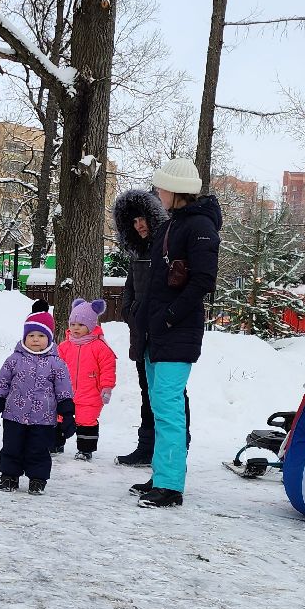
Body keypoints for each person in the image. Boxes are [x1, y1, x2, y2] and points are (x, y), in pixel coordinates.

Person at [132, 159, 221, 509]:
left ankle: (170, 486)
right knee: (159, 405)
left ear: (177, 191)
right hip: (159, 332)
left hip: (176, 333)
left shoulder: (199, 226)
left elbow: (203, 280)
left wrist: (168, 316)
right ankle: (162, 474)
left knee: (168, 407)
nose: (158, 193)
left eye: (162, 188)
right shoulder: (174, 224)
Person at [113, 186, 189, 473]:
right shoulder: (138, 253)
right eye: (133, 222)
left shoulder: (167, 247)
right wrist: (130, 313)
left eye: (142, 218)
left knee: (170, 393)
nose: (139, 225)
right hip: (141, 332)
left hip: (164, 331)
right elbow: (130, 289)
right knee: (147, 391)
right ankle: (147, 445)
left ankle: (177, 447)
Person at [0, 310, 75, 495]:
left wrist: (67, 415)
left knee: (39, 450)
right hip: (13, 416)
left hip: (43, 420)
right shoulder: (13, 360)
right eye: (31, 335)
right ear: (24, 337)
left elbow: (64, 390)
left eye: (41, 335)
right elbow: (1, 384)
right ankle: (9, 476)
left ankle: (38, 479)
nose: (36, 339)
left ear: (50, 338)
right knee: (12, 447)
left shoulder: (57, 364)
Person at [57, 298, 118, 460]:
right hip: (65, 393)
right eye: (73, 324)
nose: (76, 328)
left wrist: (106, 388)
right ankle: (55, 443)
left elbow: (107, 369)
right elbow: (55, 368)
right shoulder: (64, 346)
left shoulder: (99, 347)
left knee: (86, 420)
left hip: (91, 393)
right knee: (58, 417)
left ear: (91, 326)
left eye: (81, 325)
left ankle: (85, 450)